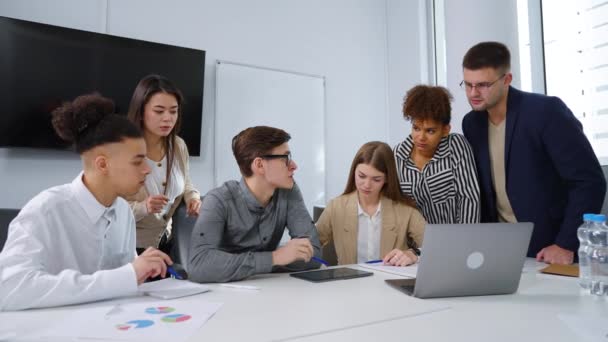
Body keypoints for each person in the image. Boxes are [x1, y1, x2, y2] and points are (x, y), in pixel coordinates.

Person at [0, 94, 173, 311]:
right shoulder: (45, 211)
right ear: (102, 165)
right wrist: (127, 275)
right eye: (137, 161)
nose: (147, 169)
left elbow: (123, 280)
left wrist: (141, 269)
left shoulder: (123, 212)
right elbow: (9, 289)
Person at [461, 41, 607, 264]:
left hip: (551, 251)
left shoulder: (545, 112)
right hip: (499, 252)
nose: (473, 93)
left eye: (483, 85)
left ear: (507, 80)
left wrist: (566, 244)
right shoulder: (471, 124)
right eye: (468, 84)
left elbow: (589, 181)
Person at [188, 126, 321, 283]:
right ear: (259, 165)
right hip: (223, 296)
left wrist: (253, 264)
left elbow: (313, 255)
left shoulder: (288, 191)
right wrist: (274, 258)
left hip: (270, 290)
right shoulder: (218, 200)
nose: (294, 165)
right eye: (285, 158)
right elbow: (199, 266)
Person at [316, 141, 425, 266]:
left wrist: (413, 254)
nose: (367, 185)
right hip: (348, 283)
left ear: (387, 179)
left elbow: (434, 247)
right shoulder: (336, 207)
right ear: (354, 172)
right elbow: (309, 245)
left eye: (376, 179)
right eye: (361, 176)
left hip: (388, 282)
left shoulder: (405, 210)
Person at [126, 75, 201, 251]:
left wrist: (193, 197)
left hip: (167, 243)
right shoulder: (123, 149)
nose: (168, 118)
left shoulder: (178, 145)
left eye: (173, 111)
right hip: (129, 248)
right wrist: (144, 207)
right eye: (159, 111)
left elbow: (186, 181)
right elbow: (108, 209)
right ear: (141, 111)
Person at [394, 85, 480, 224]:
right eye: (416, 128)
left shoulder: (456, 147)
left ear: (445, 130)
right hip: (414, 244)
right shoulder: (397, 156)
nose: (421, 137)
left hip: (455, 240)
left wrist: (464, 242)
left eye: (430, 131)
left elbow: (469, 199)